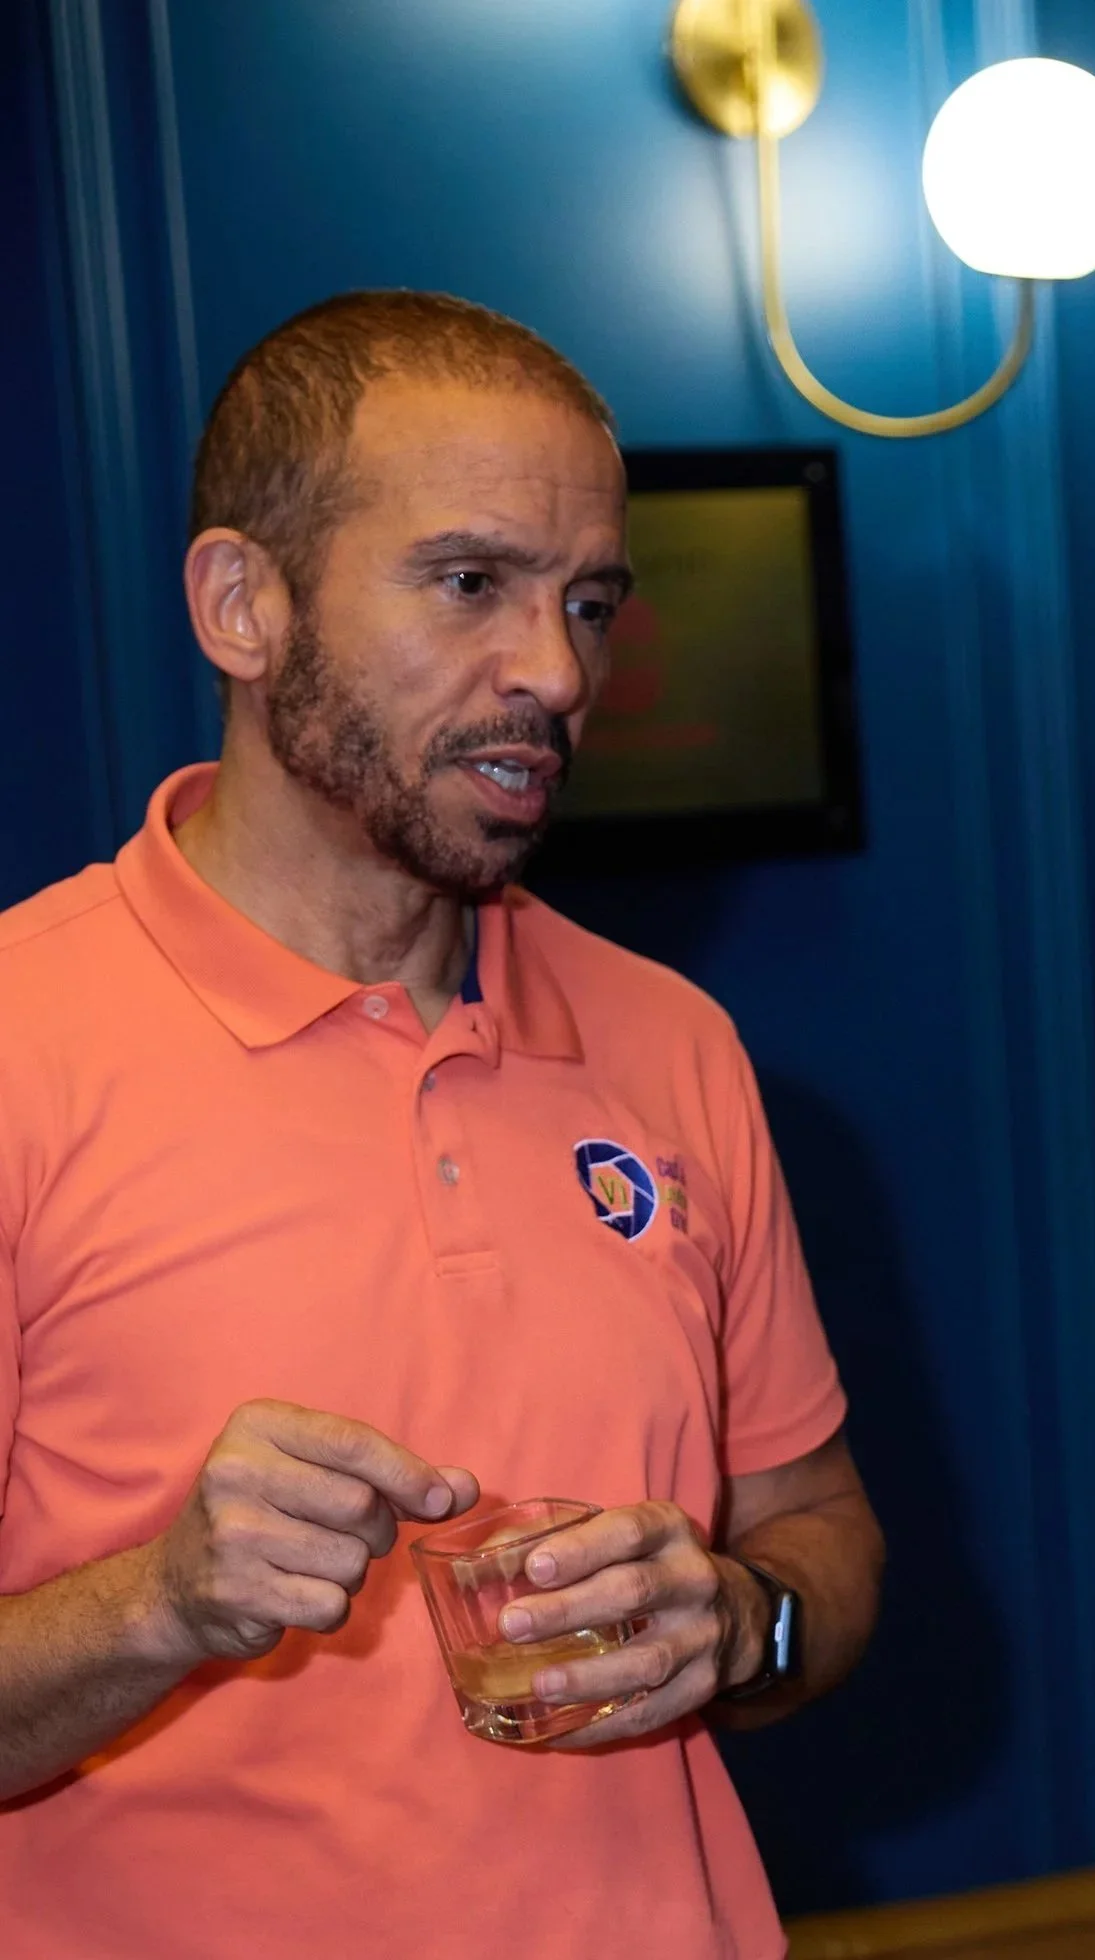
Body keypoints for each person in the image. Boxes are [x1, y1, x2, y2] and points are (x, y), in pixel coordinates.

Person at [0, 291, 883, 1956]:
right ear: (243, 606)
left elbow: (820, 1536)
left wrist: (739, 1624)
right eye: (472, 582)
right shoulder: (21, 1042)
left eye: (590, 602)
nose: (556, 672)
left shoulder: (674, 1041)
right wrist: (157, 1604)